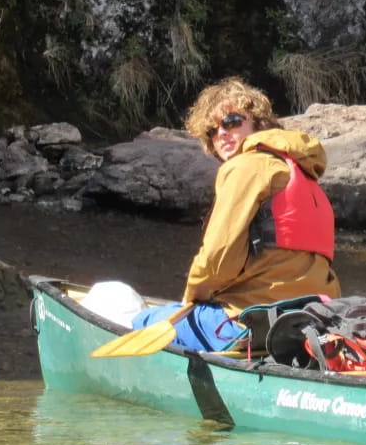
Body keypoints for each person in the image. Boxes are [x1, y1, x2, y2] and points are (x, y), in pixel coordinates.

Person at [132, 77, 341, 351]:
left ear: (257, 122)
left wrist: (192, 296)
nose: (221, 133)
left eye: (231, 121)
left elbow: (219, 258)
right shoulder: (304, 175)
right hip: (312, 321)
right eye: (211, 130)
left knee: (143, 318)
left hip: (250, 322)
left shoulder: (246, 166)